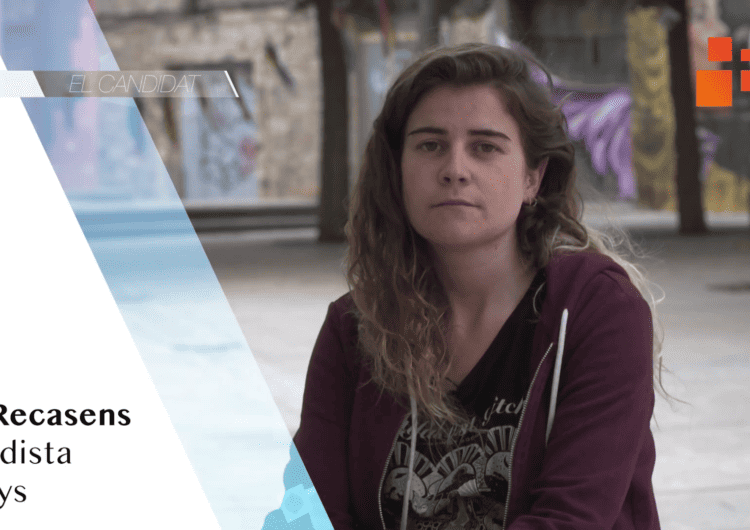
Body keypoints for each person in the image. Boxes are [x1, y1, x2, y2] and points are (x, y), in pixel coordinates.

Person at [292, 43, 665, 530]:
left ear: (532, 178)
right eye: (430, 145)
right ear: (397, 170)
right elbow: (308, 511)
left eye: (485, 147)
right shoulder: (354, 328)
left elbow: (572, 519)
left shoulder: (598, 310)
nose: (455, 169)